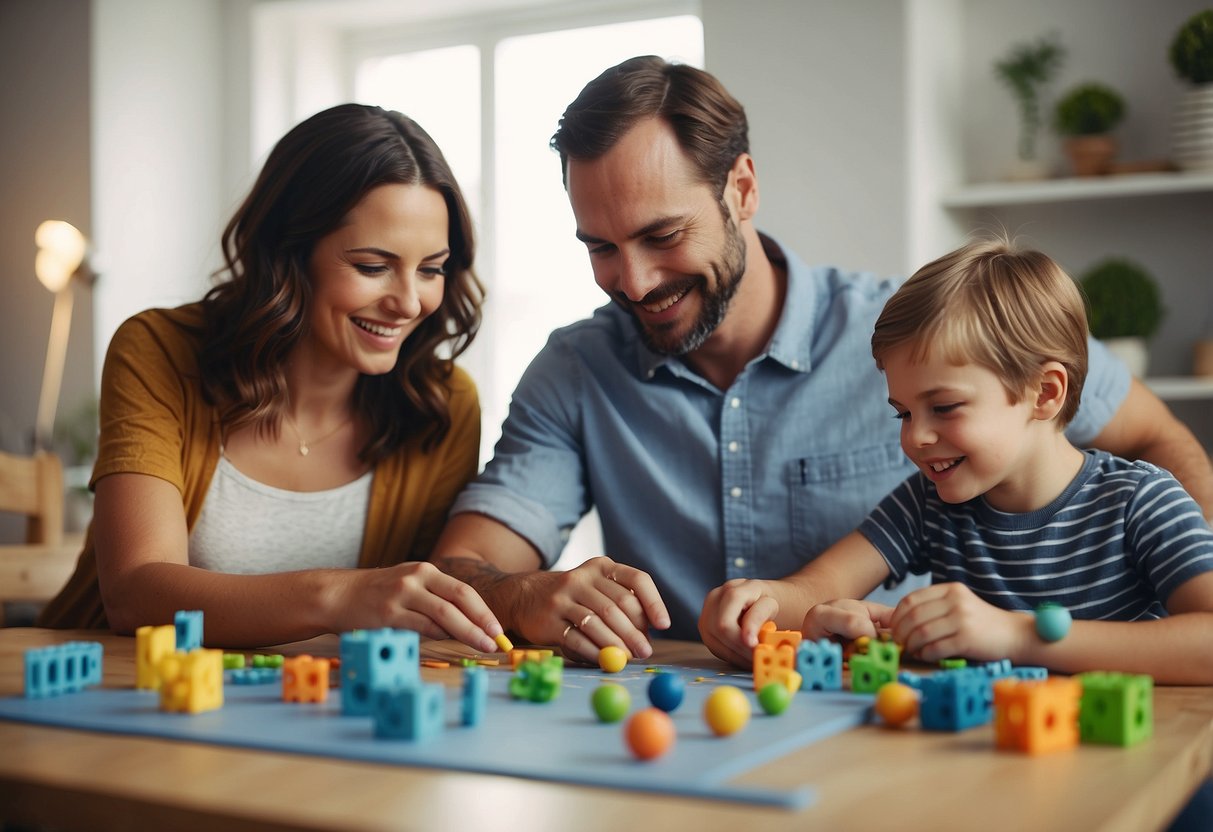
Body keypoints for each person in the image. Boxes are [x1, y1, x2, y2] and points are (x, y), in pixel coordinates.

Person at [430, 56, 1213, 665]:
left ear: (740, 188)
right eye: (600, 247)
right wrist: (528, 593)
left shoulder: (926, 334)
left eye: (662, 236)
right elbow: (466, 564)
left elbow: (1154, 438)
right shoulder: (574, 371)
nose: (630, 282)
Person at [38, 103, 504, 652]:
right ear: (289, 252)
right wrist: (337, 595)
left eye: (431, 269)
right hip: (110, 695)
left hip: (305, 721)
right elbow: (135, 593)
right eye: (373, 267)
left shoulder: (443, 404)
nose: (408, 302)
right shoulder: (160, 352)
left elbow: (424, 618)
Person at [698, 237, 1213, 684]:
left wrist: (1015, 636)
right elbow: (821, 587)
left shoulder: (1142, 500)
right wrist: (758, 602)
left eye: (943, 407)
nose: (917, 437)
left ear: (1044, 393)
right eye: (903, 412)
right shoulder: (930, 503)